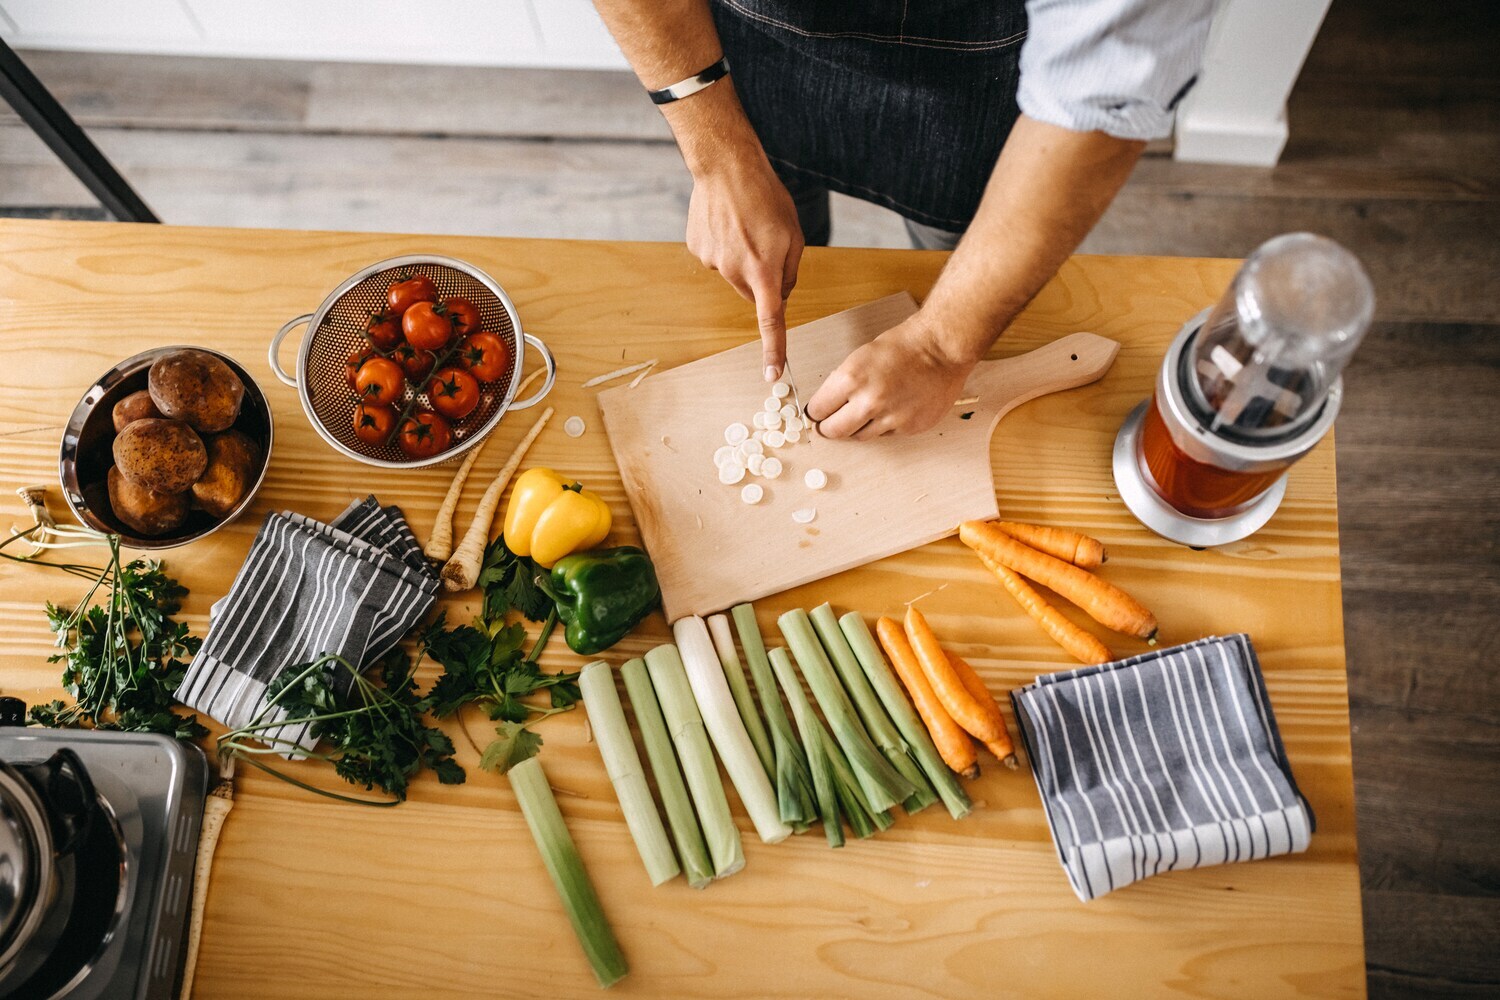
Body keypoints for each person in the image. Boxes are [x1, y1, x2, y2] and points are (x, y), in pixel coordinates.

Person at [591, 0, 1215, 438]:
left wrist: (942, 346)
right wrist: (717, 150)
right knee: (780, 251)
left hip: (973, 89)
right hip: (754, 61)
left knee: (954, 250)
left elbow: (1101, 92)